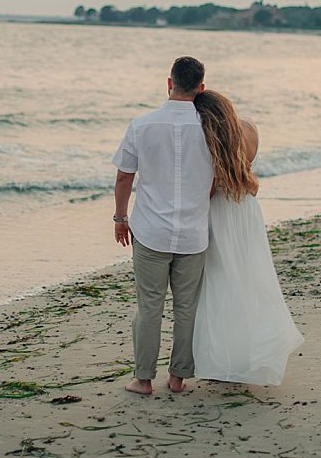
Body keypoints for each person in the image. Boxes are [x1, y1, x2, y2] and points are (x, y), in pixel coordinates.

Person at [112, 56, 214, 395]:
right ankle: (177, 378)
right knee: (187, 308)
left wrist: (120, 217)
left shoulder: (142, 125)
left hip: (151, 231)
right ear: (201, 88)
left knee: (149, 307)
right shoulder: (212, 128)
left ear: (169, 83)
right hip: (193, 234)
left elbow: (125, 175)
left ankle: (143, 379)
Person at [191, 90, 304, 384]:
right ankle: (252, 353)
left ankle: (227, 360)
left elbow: (211, 188)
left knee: (221, 283)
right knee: (250, 279)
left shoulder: (211, 139)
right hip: (247, 211)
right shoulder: (250, 128)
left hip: (221, 213)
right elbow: (245, 171)